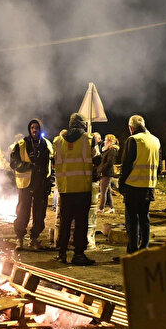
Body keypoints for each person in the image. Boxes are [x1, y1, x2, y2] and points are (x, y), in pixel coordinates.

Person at [52, 113, 99, 265]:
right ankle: (78, 254)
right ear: (83, 124)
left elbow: (54, 163)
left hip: (65, 188)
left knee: (64, 222)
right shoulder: (89, 139)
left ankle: (61, 254)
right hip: (82, 188)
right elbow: (97, 159)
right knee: (81, 223)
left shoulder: (58, 141)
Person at [10, 118, 54, 250]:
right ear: (29, 130)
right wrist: (28, 166)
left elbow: (52, 164)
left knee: (40, 214)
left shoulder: (46, 144)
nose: (34, 130)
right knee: (23, 212)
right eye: (32, 128)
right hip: (26, 184)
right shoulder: (21, 144)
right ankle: (20, 239)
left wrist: (49, 182)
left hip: (41, 184)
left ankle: (34, 238)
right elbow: (13, 163)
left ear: (40, 129)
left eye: (37, 128)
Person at [118, 114, 160, 254]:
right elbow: (158, 165)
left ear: (131, 127)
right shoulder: (155, 141)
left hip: (133, 186)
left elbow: (126, 165)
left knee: (132, 221)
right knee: (144, 218)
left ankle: (132, 251)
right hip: (149, 185)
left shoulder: (133, 140)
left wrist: (121, 184)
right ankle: (144, 248)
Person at [97, 134, 119, 214]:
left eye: (106, 140)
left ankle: (101, 208)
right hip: (106, 172)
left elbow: (109, 162)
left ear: (110, 141)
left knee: (103, 191)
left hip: (107, 173)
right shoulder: (108, 149)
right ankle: (111, 207)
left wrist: (102, 170)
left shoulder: (112, 149)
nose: (104, 141)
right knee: (108, 191)